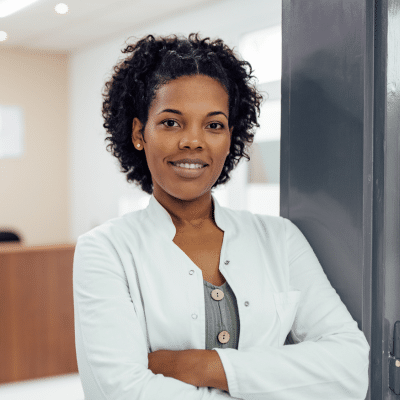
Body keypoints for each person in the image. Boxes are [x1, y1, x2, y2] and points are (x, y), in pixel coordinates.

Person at [73, 32, 370, 400]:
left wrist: (198, 365)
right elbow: (121, 391)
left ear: (231, 136)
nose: (193, 141)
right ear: (139, 133)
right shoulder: (104, 251)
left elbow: (351, 367)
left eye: (213, 125)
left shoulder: (279, 238)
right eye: (171, 122)